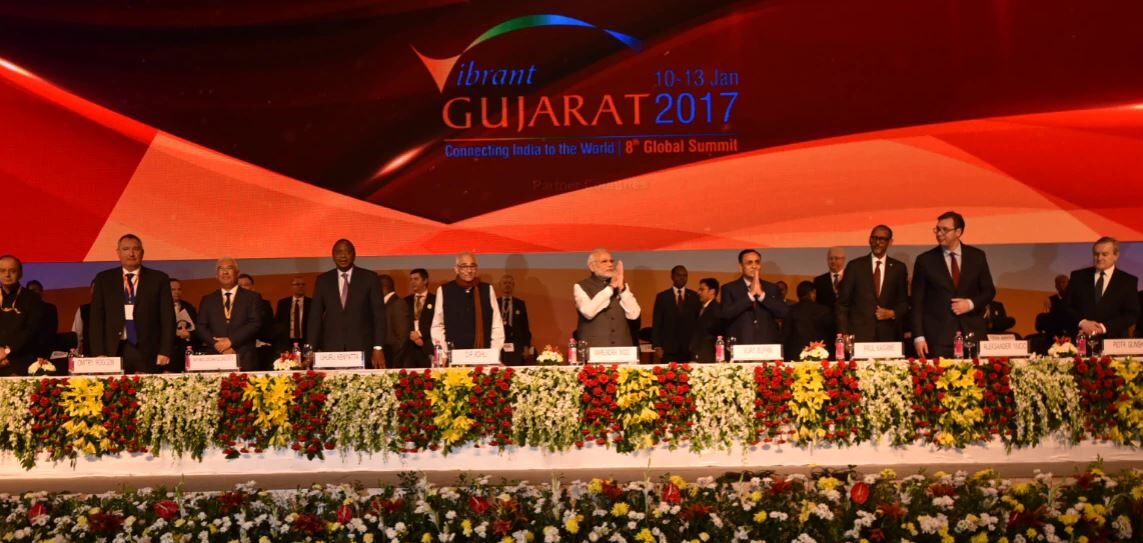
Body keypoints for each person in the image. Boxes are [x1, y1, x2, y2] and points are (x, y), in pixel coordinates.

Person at [911, 212, 995, 359]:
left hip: (972, 333)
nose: (939, 233)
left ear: (958, 232)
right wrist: (919, 336)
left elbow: (989, 291)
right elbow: (917, 302)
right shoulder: (925, 260)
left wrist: (970, 304)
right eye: (937, 229)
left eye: (945, 230)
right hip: (938, 336)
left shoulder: (977, 256)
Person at [89, 234, 175, 374]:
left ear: (142, 252)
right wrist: (99, 352)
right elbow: (96, 318)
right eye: (126, 249)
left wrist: (165, 350)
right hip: (113, 349)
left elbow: (168, 318)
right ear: (118, 252)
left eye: (136, 249)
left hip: (148, 349)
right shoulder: (104, 279)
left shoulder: (159, 279)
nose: (131, 253)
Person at [306, 239, 387, 368]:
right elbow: (315, 318)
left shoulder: (370, 278)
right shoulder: (323, 280)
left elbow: (379, 316)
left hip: (362, 348)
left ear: (354, 254)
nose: (343, 256)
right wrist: (310, 349)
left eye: (347, 252)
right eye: (338, 252)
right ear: (333, 255)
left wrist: (378, 347)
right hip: (331, 349)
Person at [836, 225, 909, 343]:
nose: (877, 242)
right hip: (859, 335)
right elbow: (842, 304)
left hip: (888, 335)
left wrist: (892, 313)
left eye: (882, 239)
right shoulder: (855, 266)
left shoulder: (898, 268)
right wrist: (843, 334)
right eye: (874, 238)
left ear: (890, 242)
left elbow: (904, 302)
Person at [1061, 237, 1140, 339]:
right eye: (1096, 254)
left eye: (1104, 254)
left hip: (1113, 340)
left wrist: (1103, 328)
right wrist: (1082, 322)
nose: (1099, 258)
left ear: (1116, 256)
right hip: (1081, 339)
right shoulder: (1078, 277)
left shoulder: (1128, 281)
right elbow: (1065, 306)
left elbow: (1131, 314)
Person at [196, 258, 264, 371]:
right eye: (221, 269)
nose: (225, 272)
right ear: (216, 275)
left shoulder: (252, 297)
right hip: (216, 356)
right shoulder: (208, 299)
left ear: (237, 273)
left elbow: (255, 323)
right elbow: (200, 327)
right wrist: (219, 345)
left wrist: (231, 341)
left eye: (229, 268)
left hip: (244, 356)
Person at [431, 252, 505, 352]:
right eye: (464, 266)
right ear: (456, 269)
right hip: (454, 353)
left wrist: (494, 351)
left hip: (483, 353)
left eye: (472, 266)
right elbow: (437, 325)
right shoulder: (444, 290)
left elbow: (496, 324)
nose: (469, 270)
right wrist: (444, 352)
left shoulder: (487, 289)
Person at [574, 249, 641, 347]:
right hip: (595, 346)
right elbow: (588, 312)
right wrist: (610, 288)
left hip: (621, 346)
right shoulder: (581, 286)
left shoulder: (621, 285)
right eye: (604, 261)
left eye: (611, 261)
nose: (610, 264)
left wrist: (622, 289)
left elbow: (634, 314)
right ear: (592, 267)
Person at [721, 249, 789, 345]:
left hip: (767, 344)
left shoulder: (772, 288)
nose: (754, 266)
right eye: (749, 263)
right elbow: (726, 314)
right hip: (740, 343)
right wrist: (750, 296)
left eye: (757, 262)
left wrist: (762, 295)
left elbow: (784, 312)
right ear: (740, 267)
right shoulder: (729, 288)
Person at [0, 255, 45, 375]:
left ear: (20, 274)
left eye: (12, 271)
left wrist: (7, 351)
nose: (7, 274)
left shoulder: (32, 298)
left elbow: (32, 330)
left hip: (21, 361)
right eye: (2, 271)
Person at [651, 265, 700, 363]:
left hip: (689, 348)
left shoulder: (694, 296)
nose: (682, 278)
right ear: (672, 276)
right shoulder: (662, 297)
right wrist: (657, 345)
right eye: (679, 275)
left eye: (685, 275)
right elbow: (657, 322)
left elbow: (698, 322)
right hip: (668, 348)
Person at [784, 281, 835, 358]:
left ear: (798, 294)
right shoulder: (824, 310)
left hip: (795, 356)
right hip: (820, 355)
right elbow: (831, 335)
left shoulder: (790, 311)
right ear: (813, 293)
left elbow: (785, 335)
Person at [237, 273, 276, 369]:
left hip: (260, 349)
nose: (243, 288)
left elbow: (269, 326)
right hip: (239, 349)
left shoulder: (264, 304)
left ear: (253, 287)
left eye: (246, 285)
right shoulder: (230, 306)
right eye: (240, 285)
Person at [402, 268, 435, 368]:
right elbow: (403, 322)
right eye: (411, 279)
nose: (412, 282)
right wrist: (413, 336)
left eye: (416, 279)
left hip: (427, 346)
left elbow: (435, 322)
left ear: (425, 280)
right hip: (409, 347)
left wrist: (420, 335)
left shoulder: (435, 299)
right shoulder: (405, 301)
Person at [498, 274, 532, 366]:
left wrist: (526, 346)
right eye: (505, 283)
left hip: (517, 343)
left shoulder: (520, 304)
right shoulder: (495, 303)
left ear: (513, 286)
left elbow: (525, 326)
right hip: (499, 343)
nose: (507, 285)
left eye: (509, 283)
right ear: (500, 286)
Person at [379, 273, 410, 367]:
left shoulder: (398, 303)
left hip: (393, 360)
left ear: (383, 287)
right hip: (387, 357)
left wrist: (394, 360)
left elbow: (402, 336)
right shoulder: (385, 303)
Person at [689, 278, 722, 362]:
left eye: (702, 289)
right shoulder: (701, 308)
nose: (698, 292)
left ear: (712, 291)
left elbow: (710, 334)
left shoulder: (716, 309)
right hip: (699, 355)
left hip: (708, 356)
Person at [170, 277, 199, 369]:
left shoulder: (189, 307)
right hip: (168, 353)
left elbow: (198, 329)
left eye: (179, 289)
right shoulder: (158, 307)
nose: (177, 292)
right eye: (173, 290)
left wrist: (189, 334)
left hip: (186, 352)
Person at [275, 276, 311, 350]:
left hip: (306, 340)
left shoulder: (312, 302)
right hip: (286, 340)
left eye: (303, 284)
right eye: (297, 284)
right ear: (291, 287)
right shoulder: (283, 303)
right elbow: (278, 322)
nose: (300, 286)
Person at [25, 280, 58, 358]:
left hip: (47, 347)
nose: (33, 292)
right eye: (30, 291)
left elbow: (52, 328)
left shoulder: (50, 308)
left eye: (35, 290)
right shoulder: (23, 310)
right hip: (28, 349)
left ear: (41, 291)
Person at [813, 246, 847, 311]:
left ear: (843, 260)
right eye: (830, 258)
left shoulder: (851, 277)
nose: (833, 261)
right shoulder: (819, 281)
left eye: (836, 258)